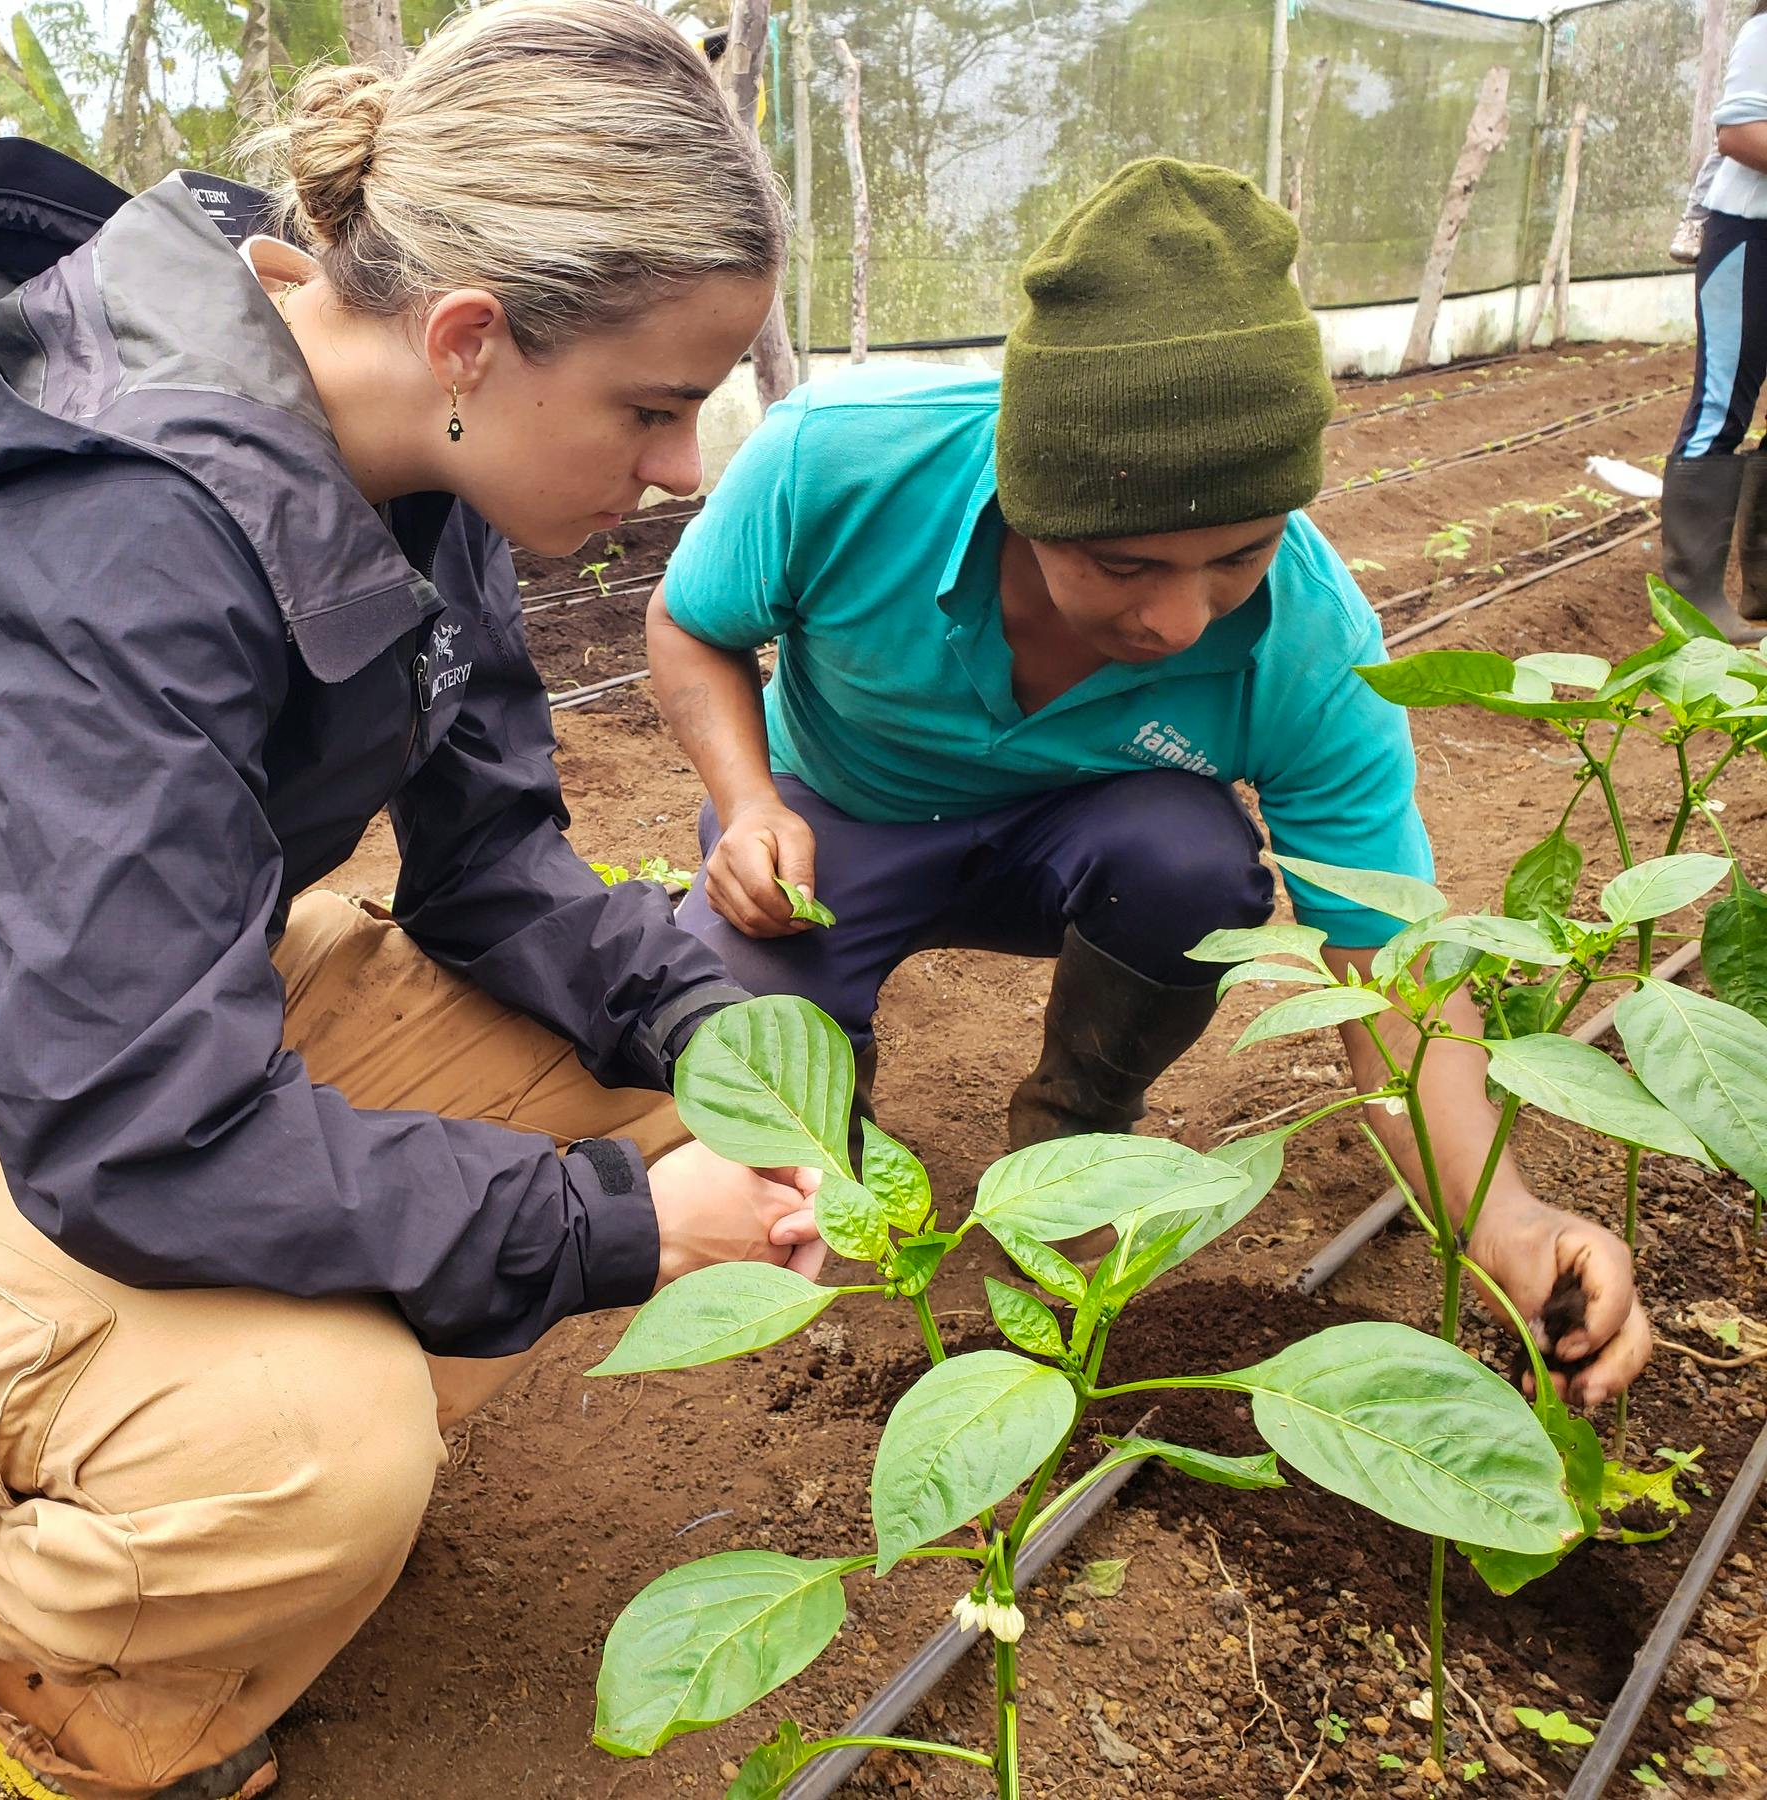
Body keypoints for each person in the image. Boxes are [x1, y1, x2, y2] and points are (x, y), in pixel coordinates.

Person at [0, 6, 822, 1796]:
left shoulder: (423, 463)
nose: (680, 469)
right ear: (472, 338)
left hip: (129, 1026)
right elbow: (135, 1127)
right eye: (654, 406)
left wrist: (720, 1020)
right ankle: (14, 1625)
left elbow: (495, 875)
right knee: (318, 1451)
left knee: (676, 1060)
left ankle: (230, 1470)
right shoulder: (111, 531)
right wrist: (621, 1234)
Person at [648, 157, 1652, 1404]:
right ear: (1027, 496)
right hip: (836, 823)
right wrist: (748, 804)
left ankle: (1076, 1125)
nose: (1179, 619)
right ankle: (827, 1130)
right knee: (742, 1071)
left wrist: (1499, 1215)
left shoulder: (1309, 642)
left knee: (1195, 859)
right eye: (1122, 565)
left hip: (1078, 845)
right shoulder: (838, 462)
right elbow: (691, 626)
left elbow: (1388, 967)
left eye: (1236, 556)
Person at [1664, 0, 1767, 641]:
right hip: (1751, 241)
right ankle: (1695, 602)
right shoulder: (1764, 32)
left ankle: (1761, 589)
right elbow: (1740, 132)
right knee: (1721, 406)